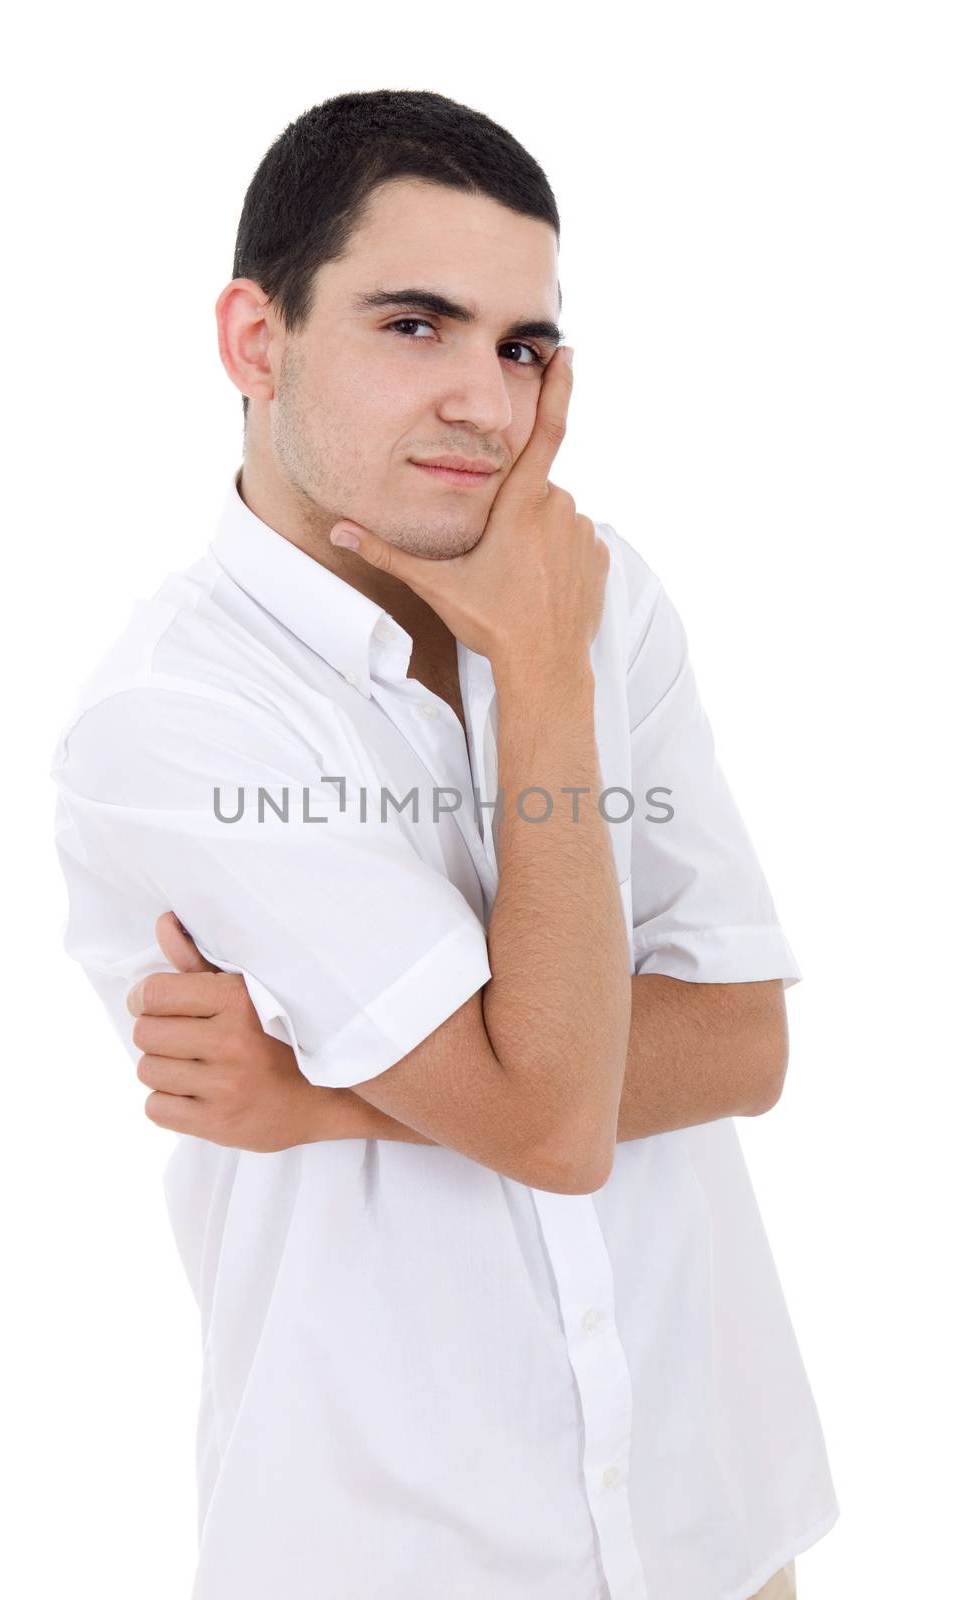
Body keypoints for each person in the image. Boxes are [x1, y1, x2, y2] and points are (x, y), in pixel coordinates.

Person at [50, 89, 838, 1600]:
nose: (487, 398)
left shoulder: (609, 593)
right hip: (398, 1554)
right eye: (414, 325)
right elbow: (551, 1125)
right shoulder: (175, 721)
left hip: (711, 1528)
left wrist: (327, 1094)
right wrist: (540, 678)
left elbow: (747, 1045)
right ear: (254, 341)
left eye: (520, 344)